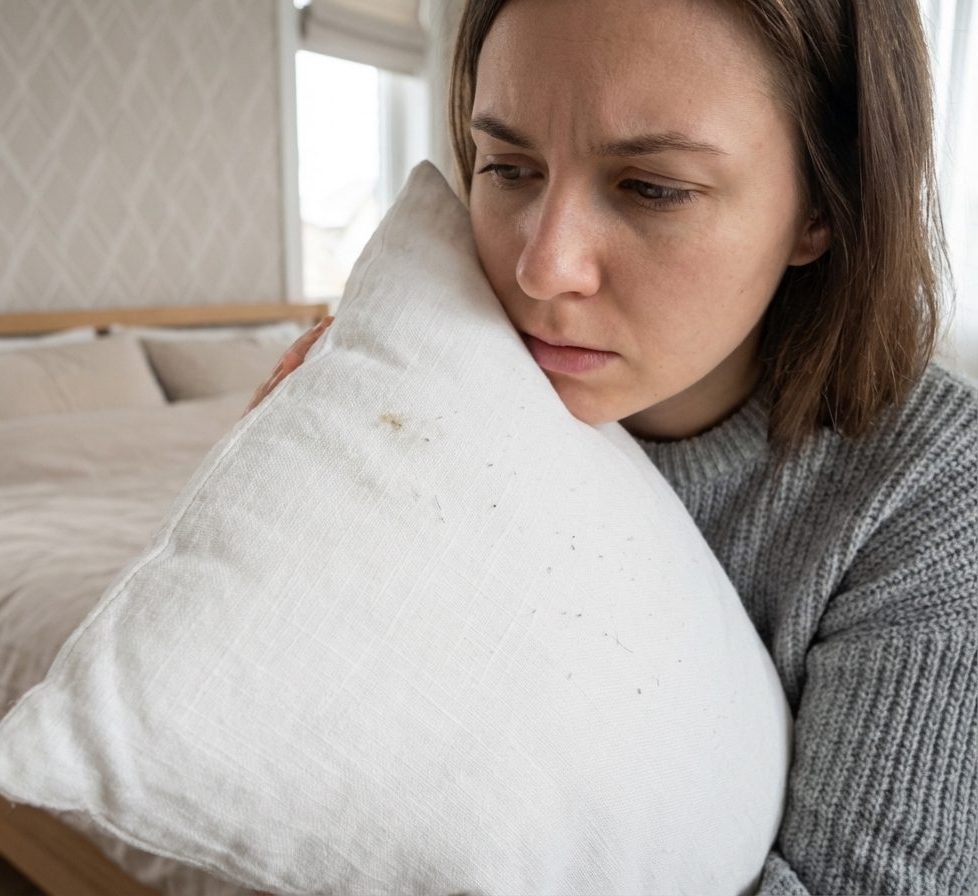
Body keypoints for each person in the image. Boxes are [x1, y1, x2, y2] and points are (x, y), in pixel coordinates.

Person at [250, 0, 977, 891]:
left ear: (822, 208)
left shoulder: (933, 494)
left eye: (652, 187)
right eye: (509, 168)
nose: (541, 267)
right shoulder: (418, 395)